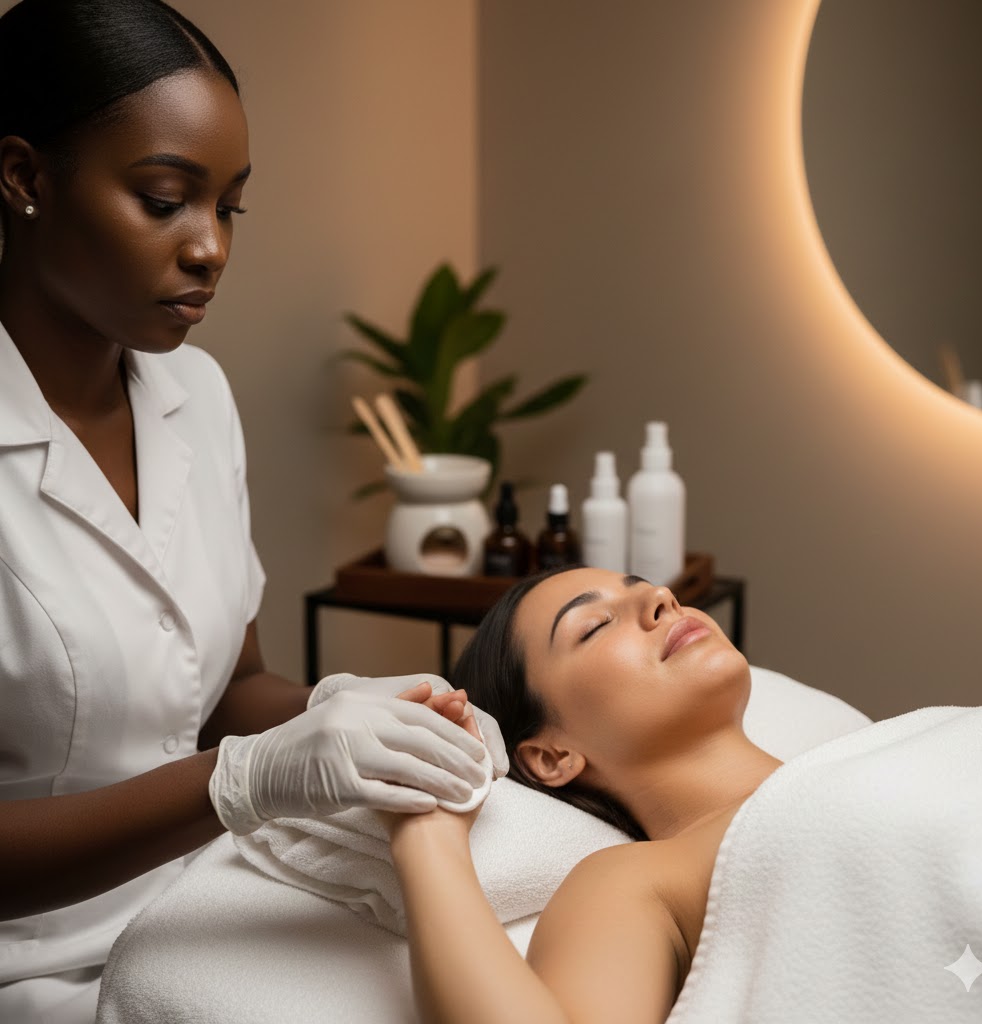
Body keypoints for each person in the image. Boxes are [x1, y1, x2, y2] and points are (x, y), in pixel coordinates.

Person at [0, 2, 504, 1020]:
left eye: (229, 208)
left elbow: (230, 688)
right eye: (164, 200)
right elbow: (234, 759)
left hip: (208, 904)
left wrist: (357, 708)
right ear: (25, 178)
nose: (209, 248)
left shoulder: (197, 395)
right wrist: (240, 782)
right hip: (36, 968)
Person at [387, 566, 784, 1024]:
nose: (662, 596)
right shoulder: (638, 881)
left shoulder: (846, 750)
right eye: (595, 625)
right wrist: (425, 824)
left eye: (645, 587)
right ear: (552, 756)